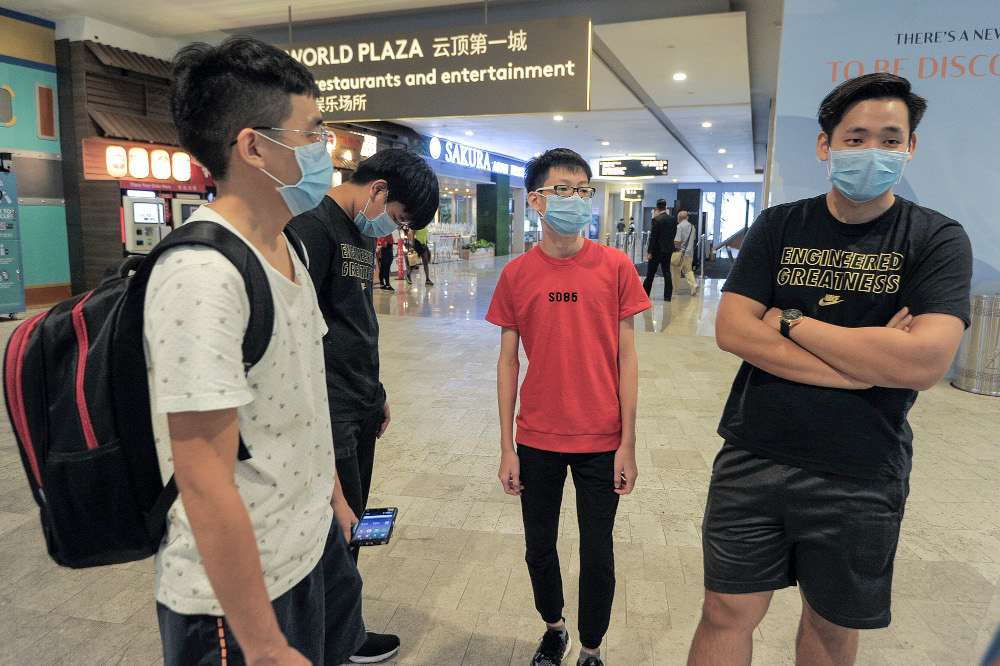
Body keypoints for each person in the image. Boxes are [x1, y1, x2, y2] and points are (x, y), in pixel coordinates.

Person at [687, 73, 972, 665]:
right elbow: (733, 330)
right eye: (857, 137)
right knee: (724, 612)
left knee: (830, 627)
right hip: (753, 454)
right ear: (826, 146)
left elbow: (925, 360)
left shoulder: (935, 239)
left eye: (891, 140)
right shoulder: (780, 226)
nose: (874, 152)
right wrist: (862, 365)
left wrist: (790, 321)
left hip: (862, 469)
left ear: (911, 147)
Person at [149, 36, 366, 664]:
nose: (329, 151)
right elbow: (202, 479)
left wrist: (333, 499)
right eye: (312, 133)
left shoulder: (288, 245)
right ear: (253, 146)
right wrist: (264, 644)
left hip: (306, 551)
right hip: (236, 601)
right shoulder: (201, 274)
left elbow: (299, 398)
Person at [486, 148, 650, 666]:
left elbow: (627, 358)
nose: (576, 198)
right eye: (563, 189)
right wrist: (507, 447)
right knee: (540, 546)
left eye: (583, 189)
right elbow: (508, 363)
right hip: (537, 437)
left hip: (602, 438)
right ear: (535, 199)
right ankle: (554, 626)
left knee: (598, 552)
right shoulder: (516, 274)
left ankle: (592, 647)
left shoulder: (616, 266)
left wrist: (627, 443)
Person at [288, 148, 439, 663]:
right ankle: (334, 645)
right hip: (331, 413)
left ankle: (344, 634)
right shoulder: (311, 229)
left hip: (360, 405)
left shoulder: (355, 229)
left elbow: (354, 325)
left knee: (349, 534)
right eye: (396, 217)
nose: (392, 230)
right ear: (377, 190)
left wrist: (378, 393)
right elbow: (300, 337)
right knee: (337, 529)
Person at [643, 198, 677, 301]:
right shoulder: (672, 219)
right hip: (668, 250)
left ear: (657, 208)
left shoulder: (656, 220)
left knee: (651, 273)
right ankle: (667, 296)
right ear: (666, 207)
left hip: (657, 250)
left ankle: (645, 294)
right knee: (667, 272)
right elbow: (674, 234)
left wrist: (649, 251)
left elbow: (653, 237)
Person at [671, 211, 699, 297]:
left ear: (678, 219)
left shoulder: (679, 227)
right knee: (688, 271)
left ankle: (674, 290)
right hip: (689, 253)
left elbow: (677, 241)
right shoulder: (692, 227)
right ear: (687, 217)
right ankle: (693, 285)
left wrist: (672, 249)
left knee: (675, 272)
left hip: (679, 254)